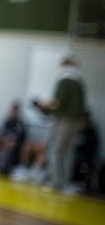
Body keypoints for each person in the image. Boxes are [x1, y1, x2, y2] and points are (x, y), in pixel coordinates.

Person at [32, 56, 87, 190]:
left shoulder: (64, 80)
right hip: (75, 121)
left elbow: (58, 103)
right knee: (67, 152)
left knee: (55, 150)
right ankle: (65, 183)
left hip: (63, 120)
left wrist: (43, 105)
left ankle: (56, 183)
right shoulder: (79, 81)